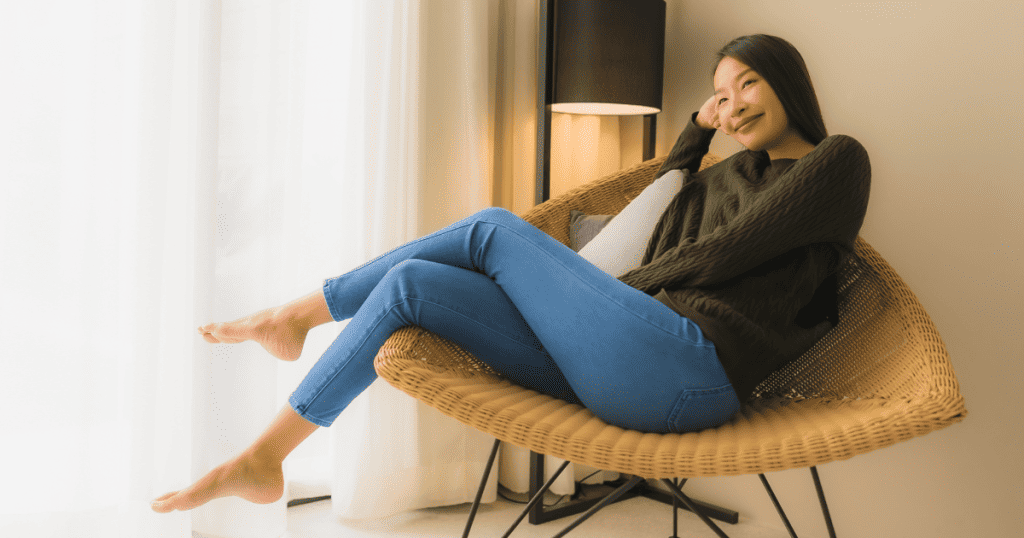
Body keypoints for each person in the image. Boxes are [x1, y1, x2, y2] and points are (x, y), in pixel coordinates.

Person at [151, 34, 869, 513]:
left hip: (691, 367)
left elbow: (727, 255)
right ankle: (262, 456)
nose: (734, 103)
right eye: (720, 94)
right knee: (412, 291)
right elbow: (669, 209)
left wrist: (607, 299)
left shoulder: (838, 161)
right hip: (628, 366)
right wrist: (695, 133)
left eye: (749, 85)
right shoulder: (723, 171)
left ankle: (298, 315)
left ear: (787, 84)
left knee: (492, 229)